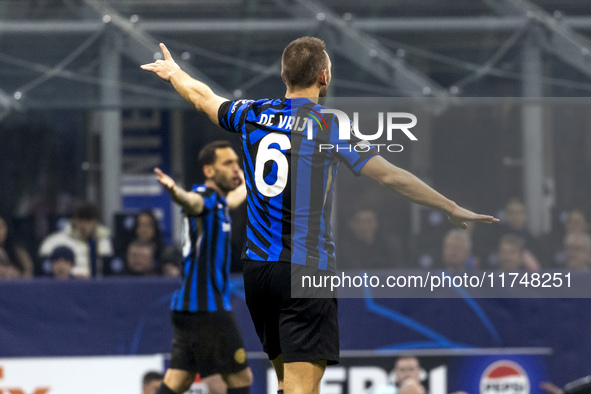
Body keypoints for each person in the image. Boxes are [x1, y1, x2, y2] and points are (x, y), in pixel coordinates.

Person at [141, 37, 499, 394]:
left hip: (258, 272)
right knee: (301, 389)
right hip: (305, 270)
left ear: (284, 76)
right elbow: (391, 176)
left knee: (286, 383)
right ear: (324, 77)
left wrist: (174, 73)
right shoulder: (329, 125)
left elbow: (203, 97)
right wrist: (449, 206)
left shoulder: (251, 113)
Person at [152, 140, 252, 394]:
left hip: (188, 309)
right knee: (241, 380)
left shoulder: (220, 204)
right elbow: (190, 201)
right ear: (209, 171)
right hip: (208, 309)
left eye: (236, 163)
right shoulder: (205, 200)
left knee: (179, 381)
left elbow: (240, 195)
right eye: (227, 163)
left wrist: (254, 176)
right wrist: (175, 191)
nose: (234, 169)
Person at [38, 202, 114, 278]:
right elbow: (46, 267)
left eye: (88, 220)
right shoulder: (55, 241)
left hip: (95, 286)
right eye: (80, 220)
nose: (83, 225)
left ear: (96, 223)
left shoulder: (104, 243)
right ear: (74, 221)